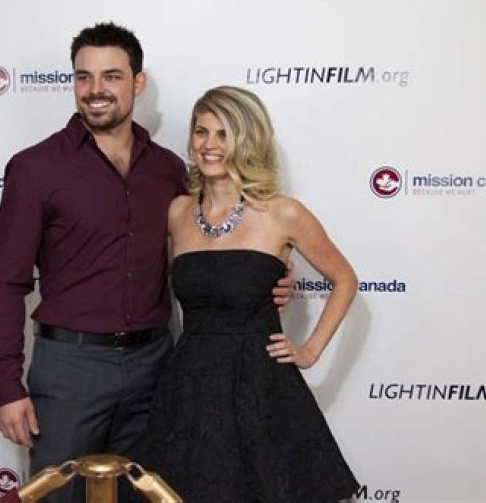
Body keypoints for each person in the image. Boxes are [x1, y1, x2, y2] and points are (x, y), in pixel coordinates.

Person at [0, 25, 292, 503]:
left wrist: (272, 271)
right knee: (56, 497)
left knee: (150, 496)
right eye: (83, 77)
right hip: (71, 369)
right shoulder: (35, 168)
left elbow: (217, 236)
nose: (96, 90)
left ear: (137, 82)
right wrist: (7, 384)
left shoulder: (170, 169)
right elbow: (5, 283)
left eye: (111, 76)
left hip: (157, 367)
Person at [143, 86, 360, 503]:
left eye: (224, 134)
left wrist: (310, 350)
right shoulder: (176, 212)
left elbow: (344, 279)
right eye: (201, 132)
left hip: (262, 385)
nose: (209, 145)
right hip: (190, 384)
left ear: (247, 140)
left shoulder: (282, 212)